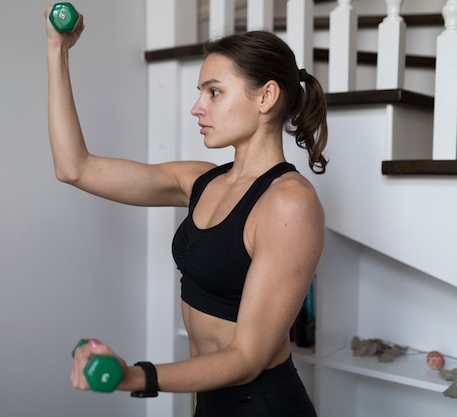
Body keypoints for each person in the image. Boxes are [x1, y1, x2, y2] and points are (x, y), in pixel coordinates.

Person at [45, 6, 327, 416]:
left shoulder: (289, 202)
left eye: (213, 92)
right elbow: (75, 168)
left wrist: (135, 377)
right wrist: (58, 51)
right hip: (209, 401)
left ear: (266, 96)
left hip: (262, 406)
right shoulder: (201, 181)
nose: (197, 107)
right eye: (200, 93)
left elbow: (247, 356)